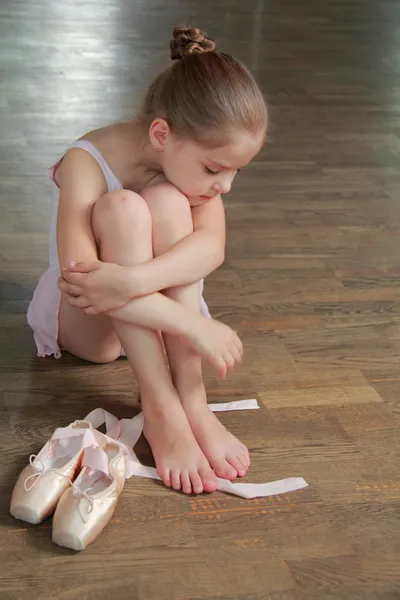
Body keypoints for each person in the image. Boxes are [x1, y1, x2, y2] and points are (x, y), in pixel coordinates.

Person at [27, 26, 268, 495]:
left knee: (167, 198)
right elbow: (84, 284)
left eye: (238, 171)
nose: (225, 186)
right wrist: (193, 324)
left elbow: (209, 249)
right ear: (162, 133)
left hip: (147, 314)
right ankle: (161, 407)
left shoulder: (188, 169)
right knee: (124, 208)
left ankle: (190, 397)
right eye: (216, 169)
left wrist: (132, 280)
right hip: (89, 324)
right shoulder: (87, 161)